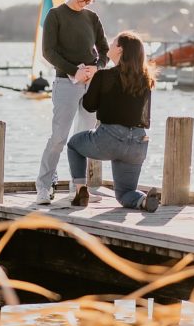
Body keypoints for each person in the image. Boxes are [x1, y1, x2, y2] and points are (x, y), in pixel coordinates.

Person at [66, 31, 160, 211]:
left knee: (73, 144)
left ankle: (80, 190)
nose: (109, 43)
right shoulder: (146, 79)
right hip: (138, 143)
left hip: (109, 138)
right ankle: (144, 201)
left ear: (120, 49)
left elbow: (89, 106)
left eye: (113, 41)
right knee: (125, 193)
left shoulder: (104, 76)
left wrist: (92, 83)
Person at [35, 0, 109, 204]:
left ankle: (78, 189)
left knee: (83, 138)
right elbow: (48, 52)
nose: (84, 3)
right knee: (59, 137)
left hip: (91, 84)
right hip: (65, 83)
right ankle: (44, 186)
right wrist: (73, 71)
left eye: (89, 0)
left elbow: (105, 52)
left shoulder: (92, 18)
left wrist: (96, 68)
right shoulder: (55, 15)